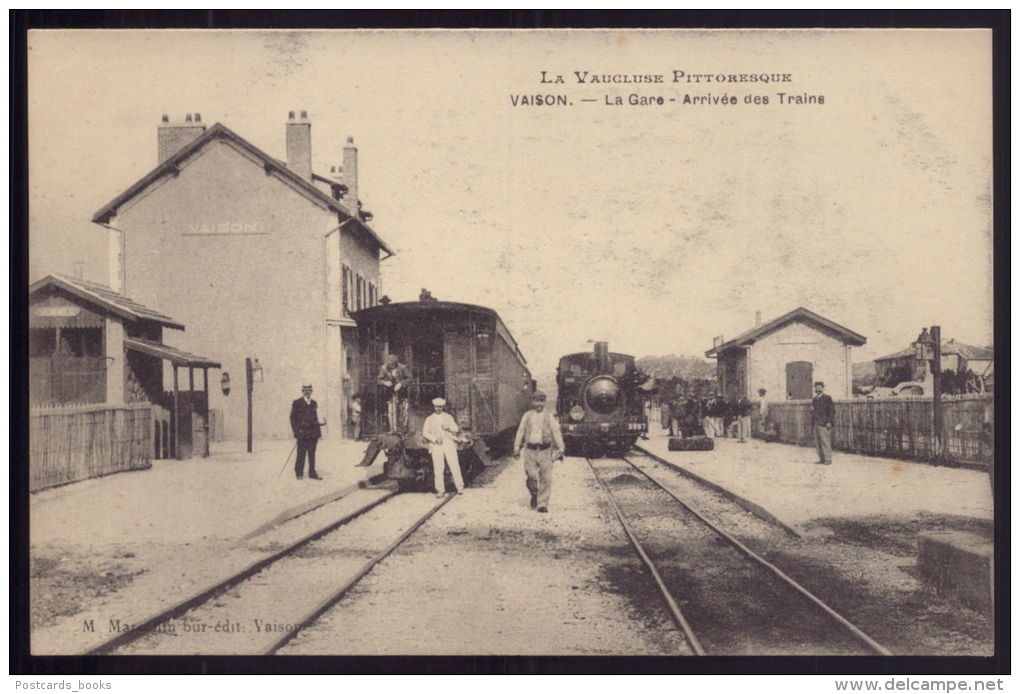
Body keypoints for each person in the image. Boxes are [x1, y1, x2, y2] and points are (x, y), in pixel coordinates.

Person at [513, 391, 565, 513]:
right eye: (536, 401)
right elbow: (520, 431)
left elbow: (556, 432)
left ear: (544, 402)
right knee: (531, 475)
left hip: (545, 450)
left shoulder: (549, 416)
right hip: (530, 450)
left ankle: (542, 504)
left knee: (546, 478)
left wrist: (561, 448)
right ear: (532, 402)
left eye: (541, 401)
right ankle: (534, 494)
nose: (539, 404)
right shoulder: (527, 416)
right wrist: (516, 447)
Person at [422, 397, 464, 497]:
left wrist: (449, 427)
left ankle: (460, 487)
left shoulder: (448, 417)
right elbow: (425, 433)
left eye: (440, 407)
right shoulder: (429, 419)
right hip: (437, 444)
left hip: (448, 442)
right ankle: (440, 490)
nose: (438, 409)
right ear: (434, 407)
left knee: (454, 464)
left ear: (443, 407)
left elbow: (456, 428)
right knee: (438, 467)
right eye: (437, 407)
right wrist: (435, 439)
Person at [290, 382, 325, 480]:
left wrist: (322, 421)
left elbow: (318, 416)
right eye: (305, 390)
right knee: (301, 453)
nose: (307, 392)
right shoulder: (297, 403)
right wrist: (296, 432)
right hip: (302, 433)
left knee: (311, 454)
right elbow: (293, 418)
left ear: (311, 391)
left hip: (313, 433)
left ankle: (312, 473)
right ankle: (299, 473)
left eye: (309, 390)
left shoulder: (314, 403)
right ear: (302, 391)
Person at [377, 354, 412, 431]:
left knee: (404, 411)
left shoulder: (402, 367)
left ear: (396, 363)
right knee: (391, 411)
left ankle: (403, 429)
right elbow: (379, 380)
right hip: (390, 393)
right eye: (390, 364)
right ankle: (393, 429)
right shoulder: (384, 368)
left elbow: (410, 378)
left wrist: (401, 384)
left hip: (402, 393)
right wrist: (385, 382)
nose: (391, 366)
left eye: (393, 364)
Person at [812, 381, 835, 465]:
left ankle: (828, 459)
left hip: (824, 423)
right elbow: (813, 411)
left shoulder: (827, 398)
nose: (818, 389)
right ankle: (821, 459)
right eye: (816, 388)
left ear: (822, 388)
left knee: (825, 441)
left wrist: (829, 421)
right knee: (818, 442)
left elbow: (832, 411)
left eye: (819, 387)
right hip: (816, 423)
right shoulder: (814, 399)